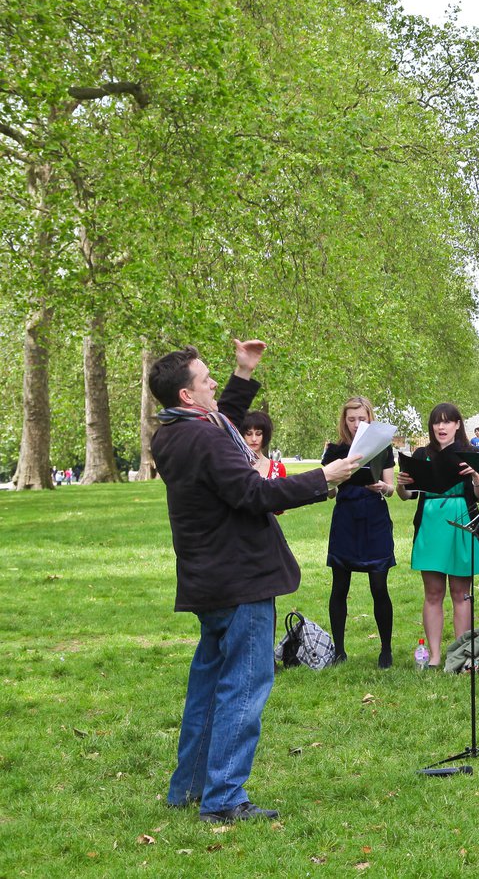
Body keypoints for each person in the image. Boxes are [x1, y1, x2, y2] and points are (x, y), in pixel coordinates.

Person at [150, 339, 362, 823]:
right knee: (243, 688)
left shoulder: (174, 432)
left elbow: (221, 416)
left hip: (209, 580)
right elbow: (252, 492)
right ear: (187, 396)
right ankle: (224, 799)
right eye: (206, 379)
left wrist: (244, 372)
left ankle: (188, 788)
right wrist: (323, 477)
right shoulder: (202, 438)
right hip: (238, 578)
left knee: (208, 687)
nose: (212, 384)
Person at [396, 403, 479, 668]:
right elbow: (407, 495)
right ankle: (435, 656)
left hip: (461, 520)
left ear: (458, 425)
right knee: (433, 593)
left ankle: (461, 655)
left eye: (447, 422)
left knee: (461, 593)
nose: (441, 427)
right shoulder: (422, 454)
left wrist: (475, 476)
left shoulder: (470, 452)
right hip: (430, 523)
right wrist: (402, 486)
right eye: (437, 422)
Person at [321, 396, 397, 668]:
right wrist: (333, 481)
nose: (355, 424)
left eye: (361, 419)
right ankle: (339, 650)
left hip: (374, 518)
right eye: (351, 420)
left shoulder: (382, 447)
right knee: (340, 585)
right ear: (345, 421)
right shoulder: (334, 450)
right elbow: (328, 492)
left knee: (379, 585)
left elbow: (390, 488)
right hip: (346, 518)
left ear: (369, 418)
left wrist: (382, 487)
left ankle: (385, 650)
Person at [239, 412, 286, 479]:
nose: (254, 439)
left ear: (265, 435)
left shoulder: (278, 468)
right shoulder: (234, 466)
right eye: (249, 434)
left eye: (258, 434)